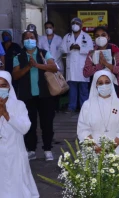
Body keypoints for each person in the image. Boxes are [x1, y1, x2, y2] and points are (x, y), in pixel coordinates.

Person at [12, 29, 58, 161]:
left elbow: (53, 67)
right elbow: (15, 76)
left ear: (36, 40)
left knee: (47, 123)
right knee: (29, 124)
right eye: (26, 38)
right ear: (23, 41)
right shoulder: (18, 56)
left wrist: (37, 65)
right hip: (27, 96)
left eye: (31, 37)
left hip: (45, 95)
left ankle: (48, 149)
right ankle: (31, 149)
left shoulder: (44, 53)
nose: (29, 40)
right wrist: (28, 67)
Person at [0, 71, 39, 198]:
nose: (1, 89)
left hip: (15, 154)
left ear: (9, 87)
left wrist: (7, 115)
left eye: (3, 85)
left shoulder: (19, 105)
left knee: (18, 187)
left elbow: (24, 128)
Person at [77, 70, 119, 154]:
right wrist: (95, 147)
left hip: (116, 148)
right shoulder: (87, 105)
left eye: (107, 82)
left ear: (111, 83)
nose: (104, 85)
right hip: (93, 149)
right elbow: (83, 129)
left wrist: (111, 147)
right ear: (96, 85)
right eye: (100, 83)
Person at [61, 17, 93, 113]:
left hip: (82, 66)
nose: (75, 25)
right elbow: (62, 49)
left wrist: (80, 48)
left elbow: (91, 50)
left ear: (81, 26)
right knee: (72, 89)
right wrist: (69, 48)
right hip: (71, 67)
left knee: (84, 89)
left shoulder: (86, 36)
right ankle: (72, 107)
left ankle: (84, 108)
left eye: (77, 23)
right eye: (73, 23)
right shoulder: (67, 37)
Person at [83, 26, 119, 98]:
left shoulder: (116, 52)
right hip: (96, 88)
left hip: (113, 87)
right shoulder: (91, 54)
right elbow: (86, 73)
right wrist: (98, 66)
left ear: (108, 37)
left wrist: (106, 64)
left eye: (103, 35)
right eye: (97, 36)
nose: (100, 38)